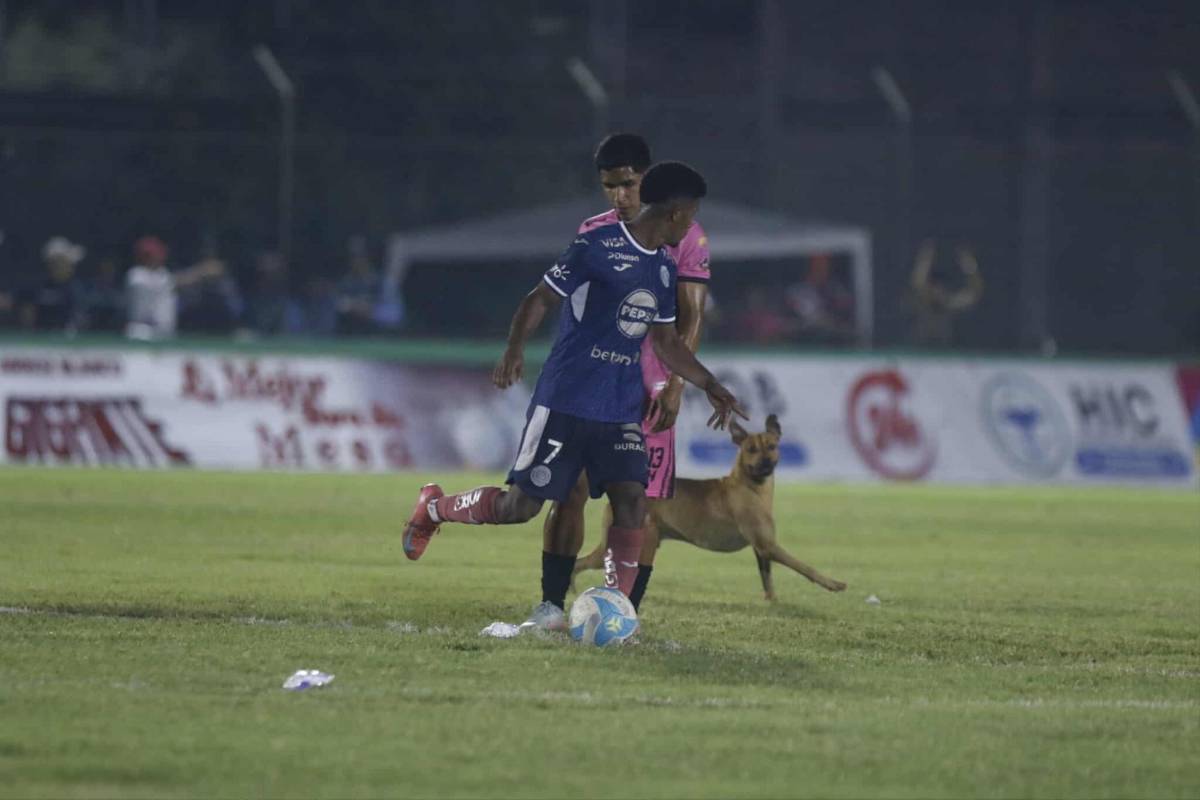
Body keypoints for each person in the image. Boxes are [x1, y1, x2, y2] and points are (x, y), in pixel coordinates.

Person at [400, 162, 746, 615]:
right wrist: (514, 349)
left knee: (632, 500)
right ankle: (435, 509)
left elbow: (665, 342)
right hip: (566, 400)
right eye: (692, 214)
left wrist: (709, 384)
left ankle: (616, 611)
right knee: (520, 507)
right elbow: (540, 298)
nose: (693, 226)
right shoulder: (595, 246)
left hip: (619, 408)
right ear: (676, 213)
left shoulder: (663, 268)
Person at [516, 133, 715, 632]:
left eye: (629, 184)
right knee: (569, 493)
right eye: (611, 186)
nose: (621, 196)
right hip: (594, 388)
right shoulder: (594, 232)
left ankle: (621, 616)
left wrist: (675, 385)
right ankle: (551, 604)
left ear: (649, 181)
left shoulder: (686, 234)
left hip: (651, 392)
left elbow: (691, 315)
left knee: (638, 506)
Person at [124, 235, 225, 340]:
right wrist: (203, 271)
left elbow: (171, 281)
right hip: (141, 331)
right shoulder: (136, 275)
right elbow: (175, 281)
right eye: (154, 255)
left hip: (162, 333)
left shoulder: (160, 273)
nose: (159, 258)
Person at [907, 239, 984, 347]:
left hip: (944, 350)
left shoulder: (949, 304)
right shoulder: (922, 302)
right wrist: (925, 259)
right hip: (918, 349)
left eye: (941, 289)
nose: (938, 292)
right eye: (935, 288)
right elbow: (917, 282)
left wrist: (969, 266)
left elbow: (974, 293)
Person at [18, 236, 87, 332]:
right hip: (40, 336)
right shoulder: (38, 287)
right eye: (60, 263)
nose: (68, 266)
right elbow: (28, 316)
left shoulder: (77, 288)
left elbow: (81, 318)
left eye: (68, 263)